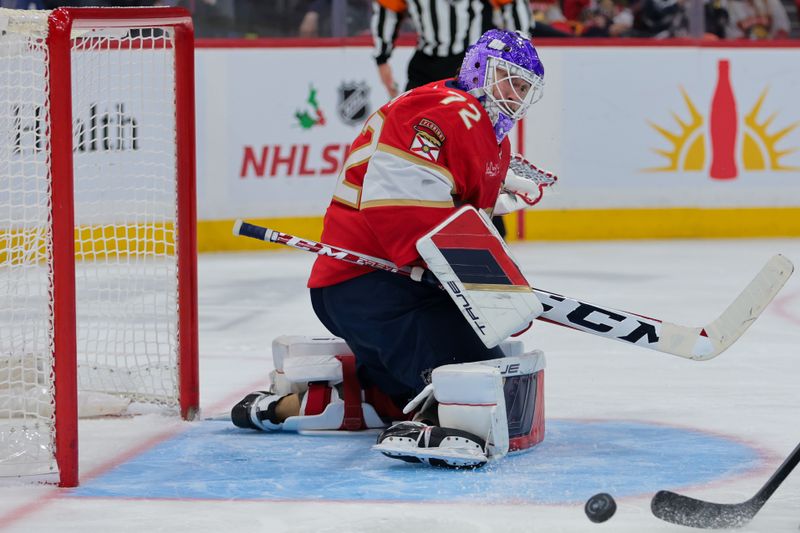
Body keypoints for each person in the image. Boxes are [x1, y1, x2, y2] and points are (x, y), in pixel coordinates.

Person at [232, 29, 554, 468]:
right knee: (476, 387)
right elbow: (401, 210)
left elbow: (453, 208)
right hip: (368, 284)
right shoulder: (438, 111)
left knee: (484, 374)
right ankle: (423, 414)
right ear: (479, 69)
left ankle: (340, 397)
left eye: (523, 88)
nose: (514, 95)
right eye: (507, 80)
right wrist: (490, 288)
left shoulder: (484, 128)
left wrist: (494, 199)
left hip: (394, 285)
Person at [371, 0, 539, 238]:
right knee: (416, 141)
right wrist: (382, 57)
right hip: (426, 64)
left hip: (477, 64)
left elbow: (514, 7)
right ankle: (410, 214)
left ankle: (486, 221)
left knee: (478, 143)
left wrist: (518, 58)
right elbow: (388, 9)